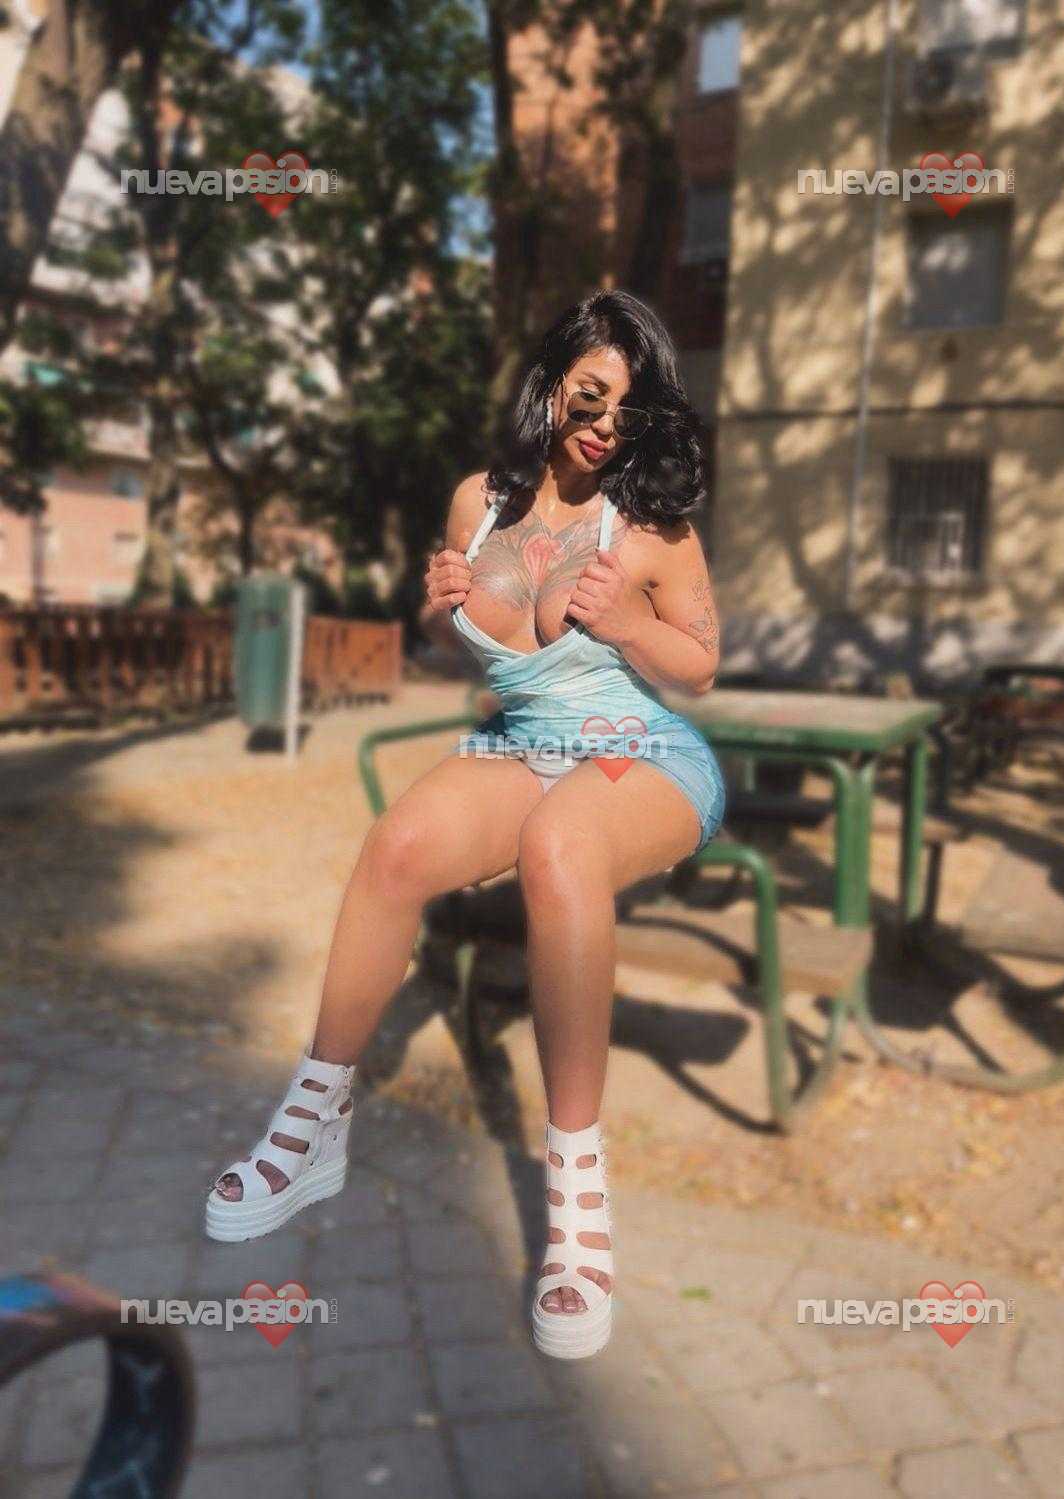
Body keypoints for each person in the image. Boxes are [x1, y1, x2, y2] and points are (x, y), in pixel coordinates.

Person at [204, 289, 727, 1361]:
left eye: (628, 408)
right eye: (591, 393)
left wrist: (632, 621)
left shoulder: (652, 529)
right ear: (552, 381)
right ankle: (315, 1120)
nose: (605, 422)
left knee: (560, 846)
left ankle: (576, 1196)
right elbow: (464, 648)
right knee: (395, 845)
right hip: (524, 745)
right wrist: (441, 613)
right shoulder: (477, 505)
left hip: (640, 752)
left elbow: (701, 665)